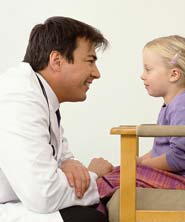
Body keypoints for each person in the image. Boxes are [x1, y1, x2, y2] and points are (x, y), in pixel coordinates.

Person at [0, 16, 114, 222]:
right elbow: (43, 194)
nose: (96, 73)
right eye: (90, 61)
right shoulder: (18, 98)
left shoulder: (42, 96)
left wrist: (69, 163)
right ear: (56, 61)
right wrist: (95, 177)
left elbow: (63, 157)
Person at [96, 35, 185, 214]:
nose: (142, 75)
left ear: (174, 74)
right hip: (181, 175)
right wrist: (138, 161)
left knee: (112, 180)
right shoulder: (174, 104)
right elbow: (163, 148)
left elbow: (180, 158)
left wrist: (141, 166)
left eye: (148, 69)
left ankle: (94, 214)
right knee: (118, 172)